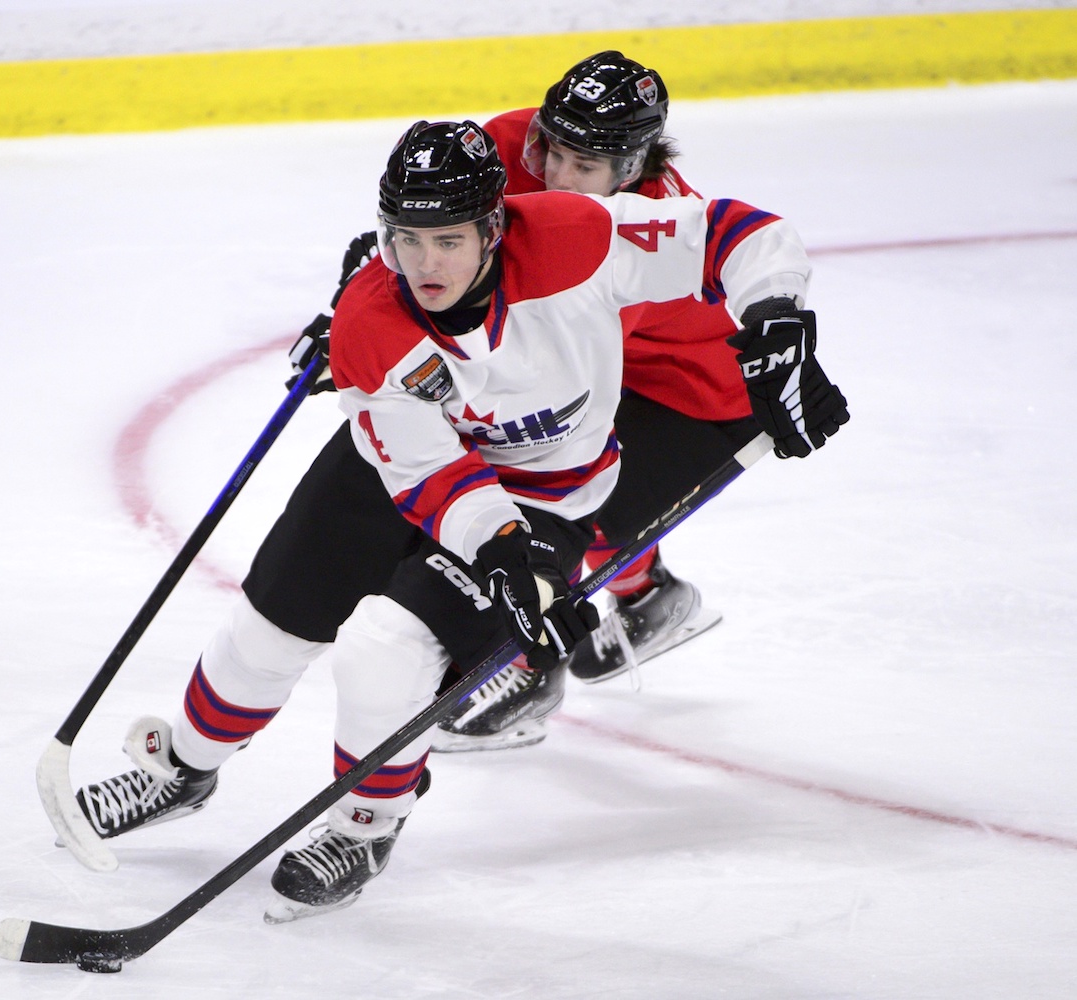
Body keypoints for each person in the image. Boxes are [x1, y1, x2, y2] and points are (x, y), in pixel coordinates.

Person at [67, 119, 832, 921]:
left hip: (545, 493)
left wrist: (777, 320)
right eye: (406, 239)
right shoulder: (372, 320)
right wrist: (502, 558)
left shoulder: (578, 239)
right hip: (410, 470)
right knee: (271, 624)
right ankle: (181, 768)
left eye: (448, 240)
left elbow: (736, 233)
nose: (426, 265)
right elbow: (428, 470)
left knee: (385, 649)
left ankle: (362, 828)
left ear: (493, 228)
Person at [423, 51, 853, 751]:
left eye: (582, 166)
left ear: (632, 169)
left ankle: (532, 669)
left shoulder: (640, 229)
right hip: (627, 371)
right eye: (551, 149)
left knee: (549, 497)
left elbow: (554, 370)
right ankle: (646, 596)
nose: (555, 176)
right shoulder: (503, 148)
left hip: (701, 394)